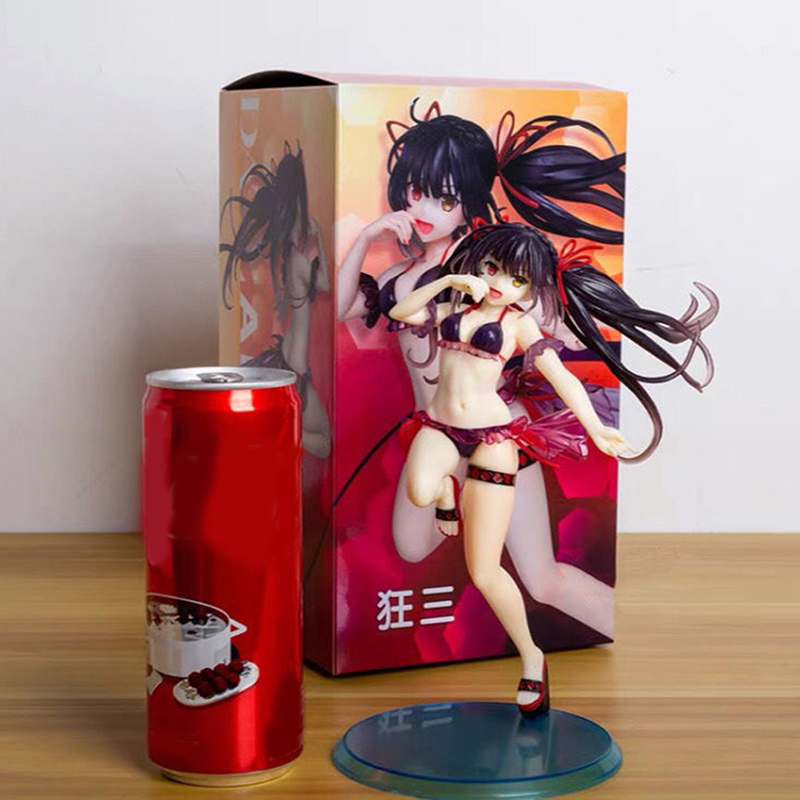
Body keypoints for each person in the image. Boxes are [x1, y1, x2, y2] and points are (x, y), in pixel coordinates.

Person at [390, 222, 717, 715]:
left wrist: (596, 428)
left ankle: (532, 657)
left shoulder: (520, 325)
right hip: (439, 427)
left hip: (492, 438)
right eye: (493, 269)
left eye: (517, 279)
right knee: (419, 490)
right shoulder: (452, 306)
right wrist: (451, 282)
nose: (500, 284)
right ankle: (444, 498)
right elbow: (401, 312)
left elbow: (563, 378)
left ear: (531, 286)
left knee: (484, 570)